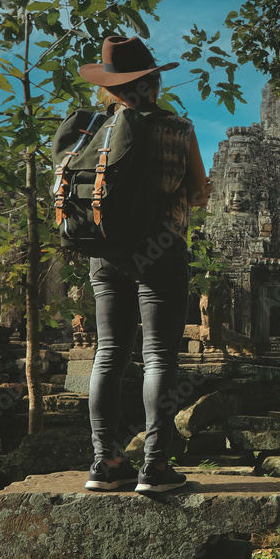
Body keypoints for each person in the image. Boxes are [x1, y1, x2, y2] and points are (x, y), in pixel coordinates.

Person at [77, 36, 211, 493]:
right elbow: (196, 192)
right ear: (153, 82)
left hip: (104, 252)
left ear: (111, 90)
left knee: (108, 354)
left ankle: (105, 462)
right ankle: (154, 467)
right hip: (160, 250)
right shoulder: (178, 128)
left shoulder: (95, 130)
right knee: (158, 357)